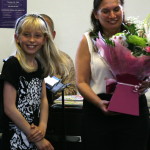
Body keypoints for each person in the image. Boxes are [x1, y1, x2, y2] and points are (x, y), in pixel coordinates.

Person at [75, 0, 150, 150]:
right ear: (96, 14)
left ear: (123, 10)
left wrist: (148, 82)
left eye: (116, 9)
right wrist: (98, 103)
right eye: (105, 11)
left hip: (133, 107)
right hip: (97, 110)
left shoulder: (139, 36)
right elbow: (81, 82)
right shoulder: (88, 40)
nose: (112, 15)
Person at [0, 13, 64, 150]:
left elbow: (43, 99)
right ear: (17, 38)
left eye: (37, 35)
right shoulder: (12, 64)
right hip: (15, 137)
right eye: (26, 35)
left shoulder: (40, 65)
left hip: (34, 135)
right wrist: (36, 137)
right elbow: (9, 107)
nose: (32, 40)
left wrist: (42, 127)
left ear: (45, 39)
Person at [40, 14, 77, 102]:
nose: (42, 37)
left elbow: (72, 91)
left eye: (46, 32)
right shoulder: (20, 60)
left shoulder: (64, 60)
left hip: (55, 110)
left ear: (53, 34)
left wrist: (50, 87)